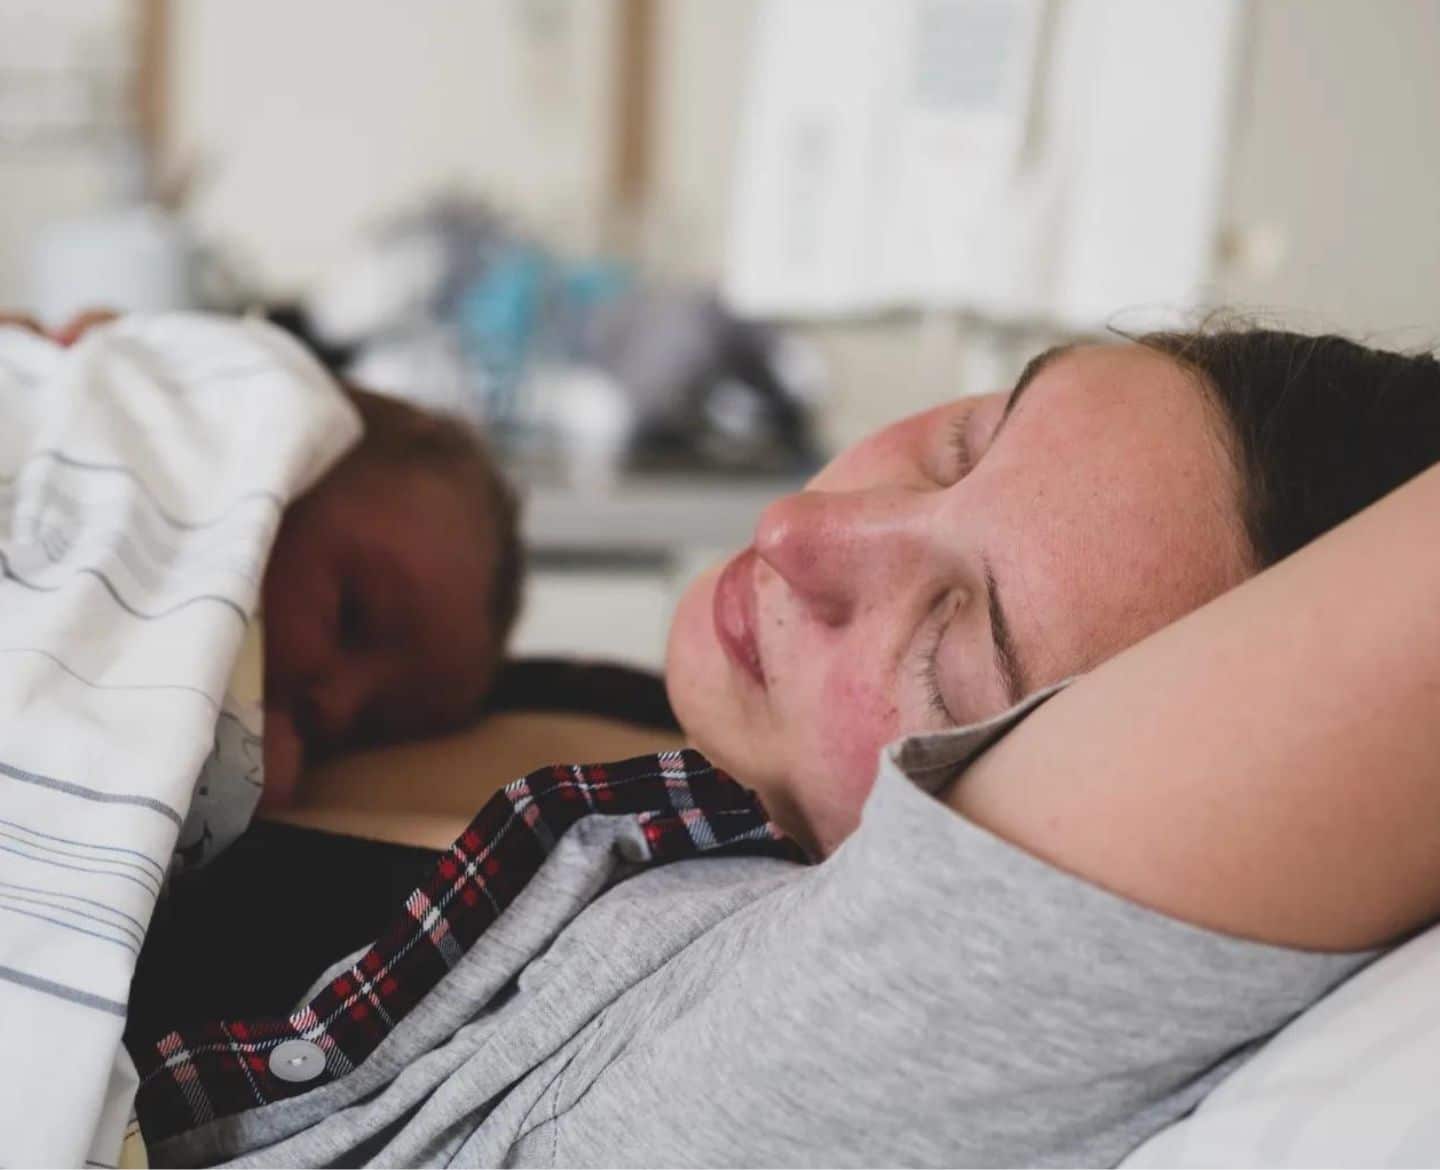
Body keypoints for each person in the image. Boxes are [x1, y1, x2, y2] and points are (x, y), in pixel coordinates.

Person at [121, 321, 1440, 1166]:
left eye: (949, 651)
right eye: (961, 443)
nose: (803, 537)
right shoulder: (656, 718)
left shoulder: (803, 1032)